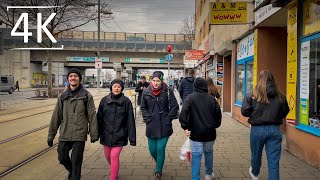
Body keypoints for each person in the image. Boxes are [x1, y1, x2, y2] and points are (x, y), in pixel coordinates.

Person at [47, 68, 99, 180]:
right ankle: (72, 171)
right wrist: (51, 135)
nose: (73, 78)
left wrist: (94, 134)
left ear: (79, 79)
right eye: (71, 76)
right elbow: (56, 116)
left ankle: (75, 176)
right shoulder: (63, 96)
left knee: (76, 161)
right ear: (68, 79)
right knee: (62, 157)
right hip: (65, 132)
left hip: (79, 133)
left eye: (75, 76)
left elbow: (92, 115)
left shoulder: (86, 96)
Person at [241, 70, 289, 180]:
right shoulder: (280, 96)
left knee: (256, 155)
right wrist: (275, 116)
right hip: (275, 129)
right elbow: (285, 111)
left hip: (257, 130)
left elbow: (244, 111)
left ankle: (255, 173)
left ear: (260, 79)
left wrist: (254, 114)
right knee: (274, 160)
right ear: (272, 80)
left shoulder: (252, 94)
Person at [179, 77, 222, 180]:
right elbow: (218, 116)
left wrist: (185, 128)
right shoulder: (212, 99)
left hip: (195, 133)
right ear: (205, 87)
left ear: (195, 86)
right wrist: (214, 125)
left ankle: (195, 178)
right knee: (209, 153)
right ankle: (208, 174)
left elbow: (183, 115)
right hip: (210, 134)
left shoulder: (190, 98)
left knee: (196, 155)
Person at [140, 71, 179, 179]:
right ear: (151, 81)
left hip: (164, 125)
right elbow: (143, 107)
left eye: (158, 81)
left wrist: (168, 118)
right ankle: (160, 162)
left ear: (162, 81)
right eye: (154, 80)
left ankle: (158, 170)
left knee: (160, 148)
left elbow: (175, 106)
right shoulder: (146, 92)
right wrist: (147, 118)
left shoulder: (167, 91)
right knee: (152, 150)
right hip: (151, 125)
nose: (156, 83)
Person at [97, 79, 136, 180]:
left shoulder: (126, 101)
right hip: (106, 135)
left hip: (120, 135)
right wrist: (95, 133)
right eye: (115, 86)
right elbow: (99, 118)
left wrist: (132, 138)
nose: (116, 88)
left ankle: (113, 177)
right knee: (108, 156)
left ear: (121, 88)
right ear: (111, 87)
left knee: (114, 156)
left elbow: (130, 120)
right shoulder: (104, 100)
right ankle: (115, 168)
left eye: (119, 86)